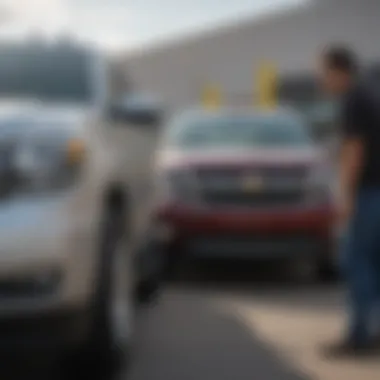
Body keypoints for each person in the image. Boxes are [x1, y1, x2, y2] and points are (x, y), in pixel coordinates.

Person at [319, 45, 380, 357]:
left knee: (355, 262)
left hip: (367, 193)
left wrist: (346, 197)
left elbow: (354, 151)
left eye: (324, 73)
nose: (322, 80)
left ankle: (358, 337)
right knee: (373, 264)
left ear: (338, 71)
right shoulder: (369, 94)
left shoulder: (353, 101)